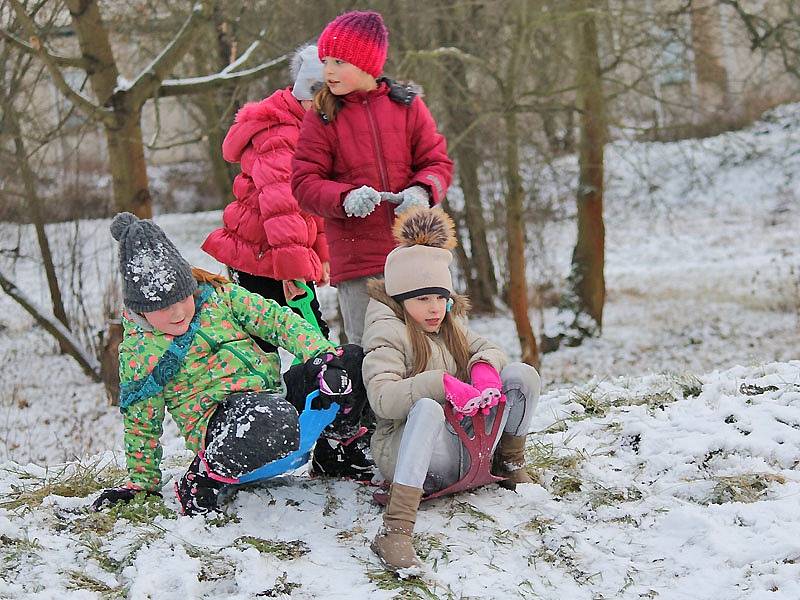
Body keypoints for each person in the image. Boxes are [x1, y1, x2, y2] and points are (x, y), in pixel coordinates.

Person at [93, 212, 354, 516]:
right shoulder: (142, 353)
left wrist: (319, 354)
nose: (178, 313)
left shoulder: (219, 297)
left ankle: (336, 453)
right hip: (222, 425)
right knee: (272, 417)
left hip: (272, 396)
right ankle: (201, 478)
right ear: (141, 310)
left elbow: (276, 321)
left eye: (182, 299)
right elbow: (141, 421)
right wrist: (141, 482)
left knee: (349, 363)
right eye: (162, 308)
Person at [361, 208, 541, 571]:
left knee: (522, 373)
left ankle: (509, 461)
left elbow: (487, 347)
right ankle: (396, 529)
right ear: (400, 300)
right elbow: (383, 399)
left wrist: (484, 369)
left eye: (441, 298)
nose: (435, 309)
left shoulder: (449, 324)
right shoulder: (386, 332)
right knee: (427, 407)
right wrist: (440, 384)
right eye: (423, 299)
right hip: (409, 451)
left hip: (462, 443)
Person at [292, 10, 453, 346]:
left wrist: (422, 191)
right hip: (358, 261)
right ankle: (373, 401)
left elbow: (437, 162)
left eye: (338, 61)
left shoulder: (407, 106)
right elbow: (305, 182)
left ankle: (435, 399)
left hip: (414, 250)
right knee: (372, 348)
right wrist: (345, 198)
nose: (328, 71)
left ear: (365, 62)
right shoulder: (323, 116)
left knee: (431, 342)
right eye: (325, 61)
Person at [203, 44, 331, 354]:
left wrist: (323, 254)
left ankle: (313, 394)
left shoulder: (307, 129)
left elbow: (313, 203)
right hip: (260, 254)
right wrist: (293, 269)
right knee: (278, 342)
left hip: (281, 251)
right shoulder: (279, 134)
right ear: (310, 95)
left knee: (308, 336)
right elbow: (282, 204)